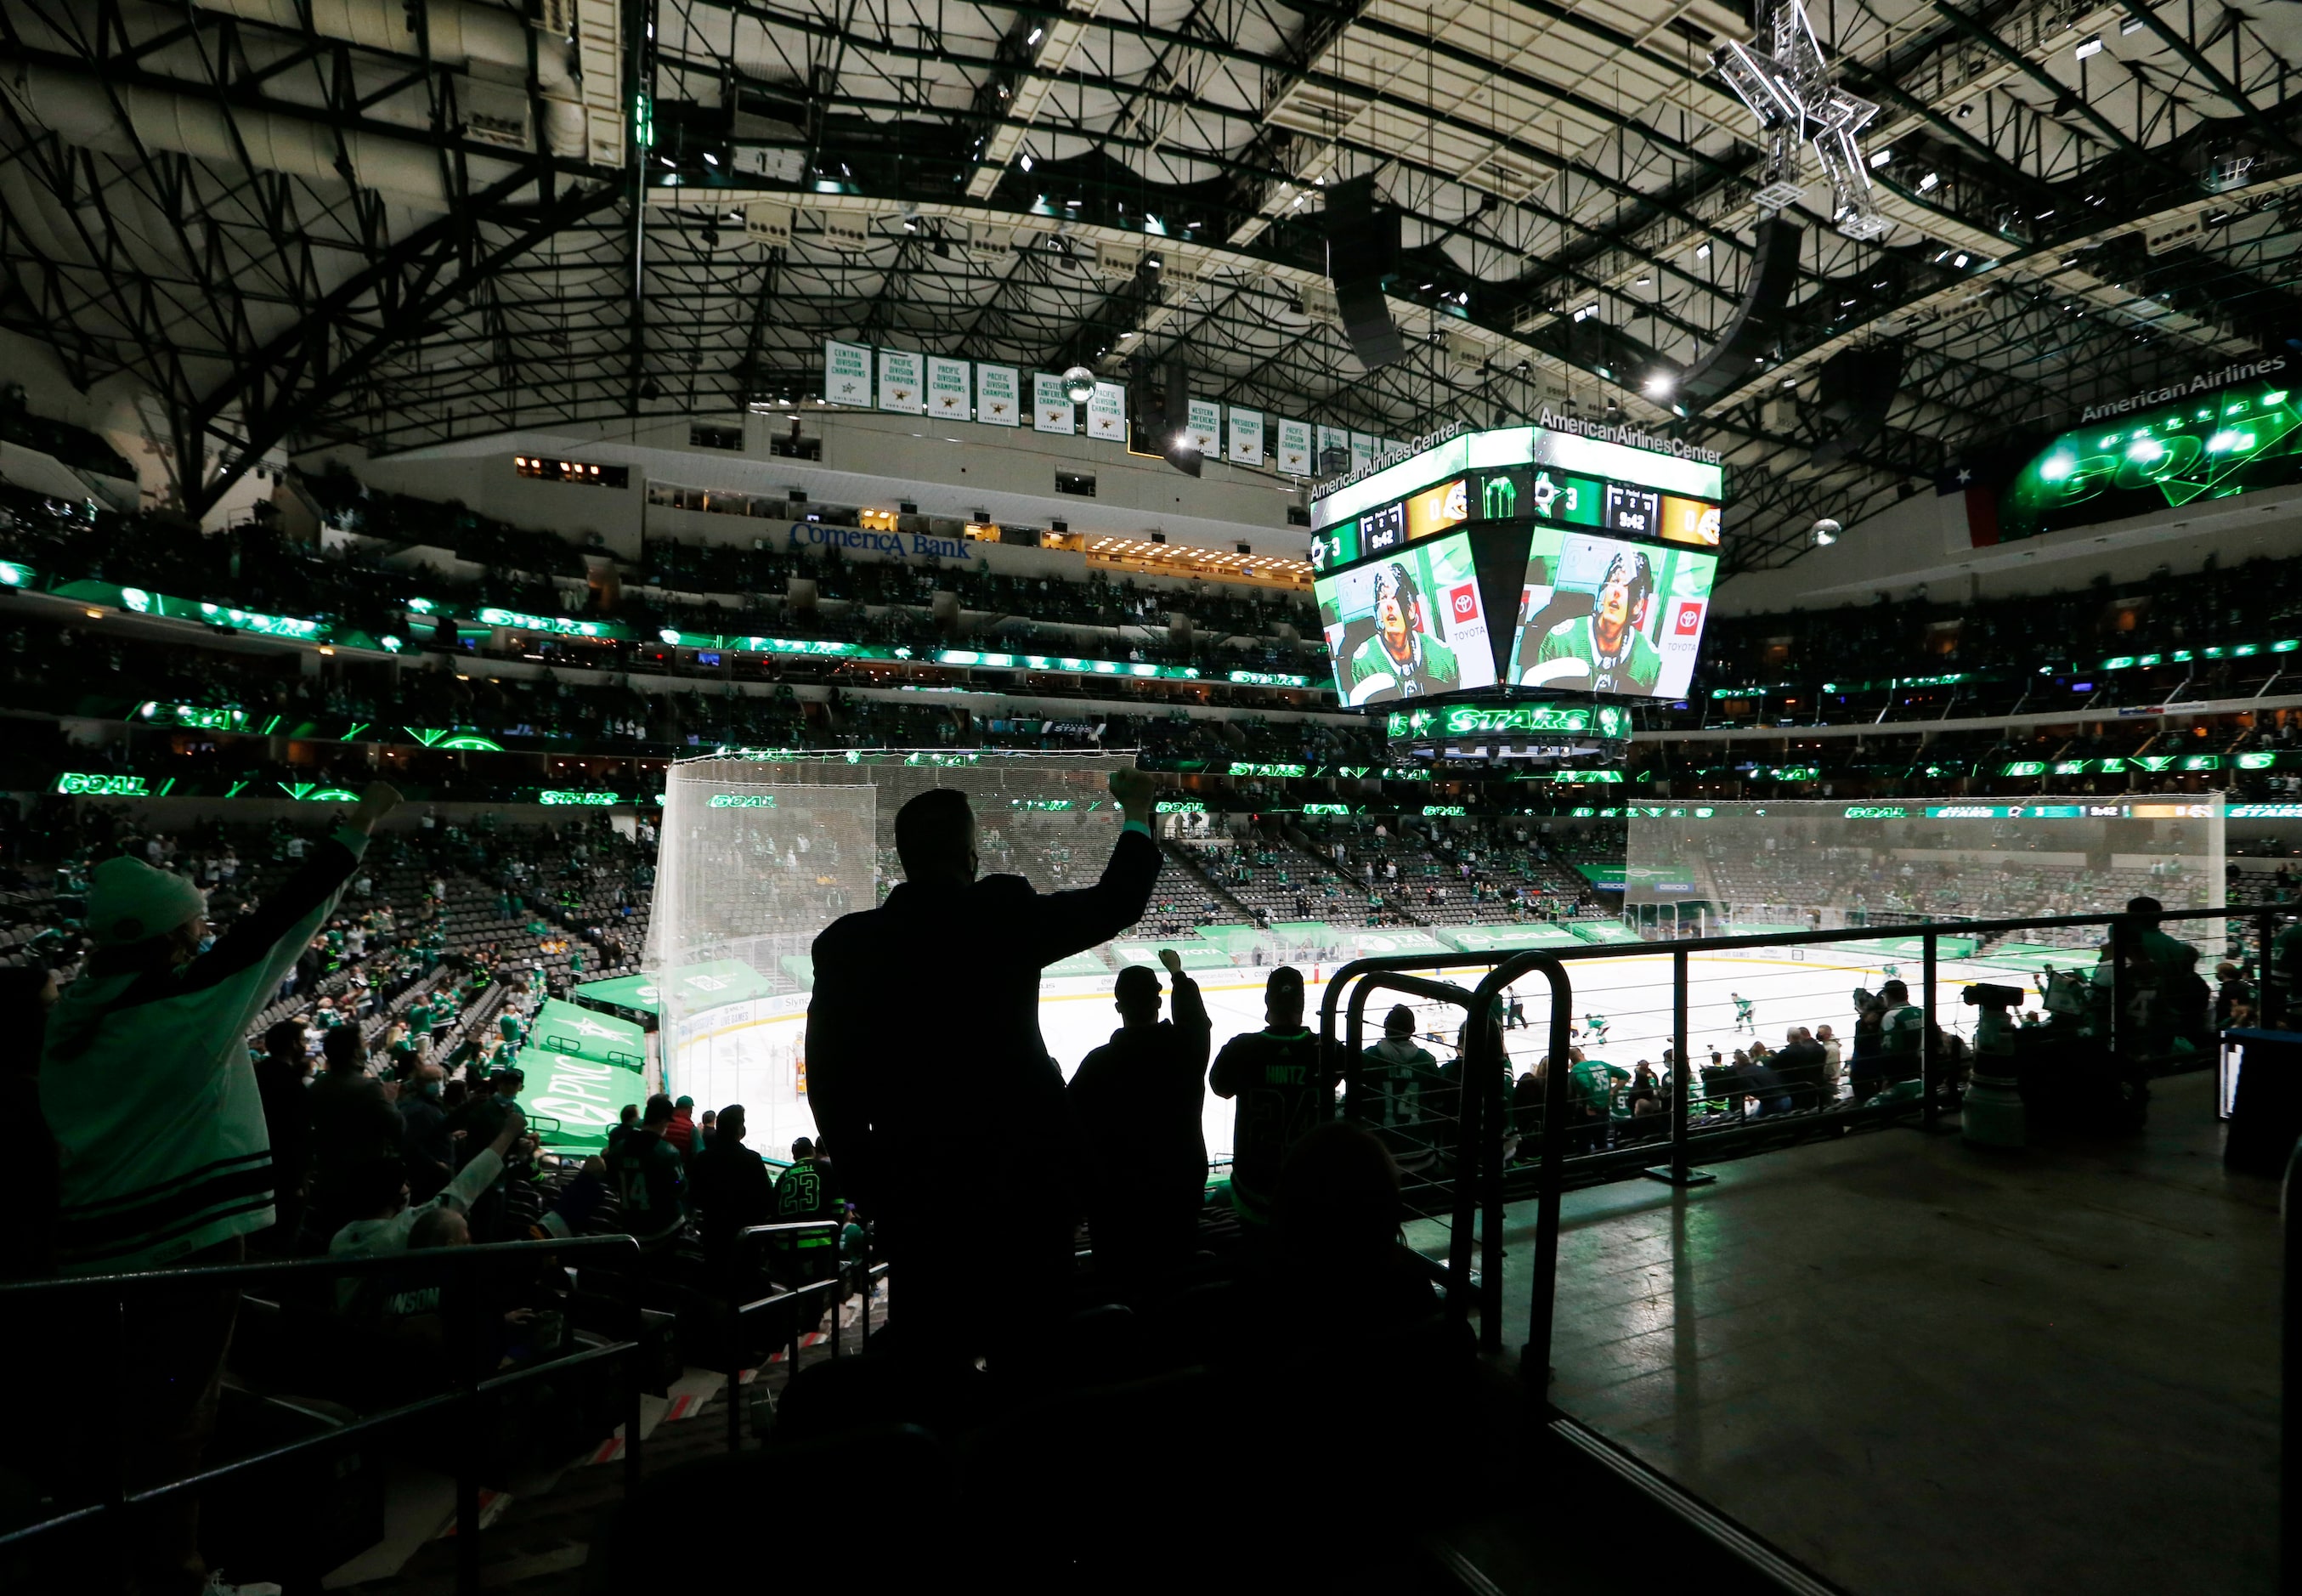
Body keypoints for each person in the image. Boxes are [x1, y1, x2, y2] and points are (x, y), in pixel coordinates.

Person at [38, 783, 399, 1596]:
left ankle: (98, 1562)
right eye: (194, 923)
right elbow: (280, 923)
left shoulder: (74, 1012)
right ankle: (176, 1578)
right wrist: (359, 825)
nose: (206, 933)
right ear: (171, 937)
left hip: (90, 1247)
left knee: (109, 1416)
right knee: (176, 1422)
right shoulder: (183, 1009)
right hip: (179, 1252)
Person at [806, 768, 1160, 1358]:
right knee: (1033, 1355)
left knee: (933, 1354)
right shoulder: (1001, 912)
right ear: (971, 856)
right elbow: (1117, 901)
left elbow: (829, 1090)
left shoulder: (847, 946)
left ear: (903, 858)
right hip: (1028, 1193)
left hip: (918, 1199)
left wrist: (876, 1192)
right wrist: (1137, 810)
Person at [1066, 948, 1213, 1299]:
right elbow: (1196, 1021)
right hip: (1180, 1197)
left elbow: (1067, 1125)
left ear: (1118, 1007)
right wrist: (1177, 974)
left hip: (1119, 1210)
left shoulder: (1097, 1066)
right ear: (1158, 1003)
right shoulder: (1187, 1050)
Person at [326, 1105, 527, 1309]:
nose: (408, 1187)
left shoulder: (341, 1237)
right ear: (395, 1199)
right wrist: (508, 1134)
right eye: (404, 1184)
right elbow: (466, 1185)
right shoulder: (402, 1229)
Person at [1209, 966, 1328, 1241]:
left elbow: (1220, 1088)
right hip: (1305, 1190)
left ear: (1267, 1003)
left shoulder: (1240, 1049)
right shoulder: (1325, 1049)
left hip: (1252, 1192)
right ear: (1301, 1004)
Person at [1520, 546, 1661, 694]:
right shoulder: (1562, 641)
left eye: (1627, 588)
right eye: (1614, 581)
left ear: (1638, 605)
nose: (1617, 592)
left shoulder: (1648, 659)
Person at [1344, 560, 1461, 702]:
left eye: (1396, 598)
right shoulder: (1365, 662)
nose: (1389, 606)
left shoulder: (1441, 655)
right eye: (1383, 598)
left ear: (1411, 609)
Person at [688, 1104, 773, 1276]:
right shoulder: (752, 1159)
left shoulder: (703, 1159)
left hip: (713, 1235)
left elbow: (694, 1195)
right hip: (746, 1238)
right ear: (738, 1128)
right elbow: (767, 1198)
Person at [252, 1017, 314, 1250]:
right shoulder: (290, 1084)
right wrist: (297, 1180)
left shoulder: (257, 1074)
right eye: (301, 1041)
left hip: (260, 1168)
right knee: (283, 1240)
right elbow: (295, 1135)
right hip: (286, 1177)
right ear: (291, 1045)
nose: (305, 1046)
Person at [1362, 1004, 1445, 1168]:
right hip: (1422, 1155)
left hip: (1381, 1156)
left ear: (1385, 1027)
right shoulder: (1426, 1061)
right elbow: (1438, 1101)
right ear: (1412, 1030)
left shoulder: (1369, 1058)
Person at [608, 1094, 688, 1256]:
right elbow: (679, 1187)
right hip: (661, 1231)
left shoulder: (618, 1149)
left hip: (629, 1228)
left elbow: (612, 1180)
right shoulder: (667, 1152)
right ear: (662, 1121)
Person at [770, 1134, 840, 1282]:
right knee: (819, 1290)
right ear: (812, 1151)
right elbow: (838, 1205)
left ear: (794, 1156)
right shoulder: (825, 1169)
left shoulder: (783, 1176)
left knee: (795, 1291)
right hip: (820, 1242)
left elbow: (773, 1212)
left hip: (788, 1245)